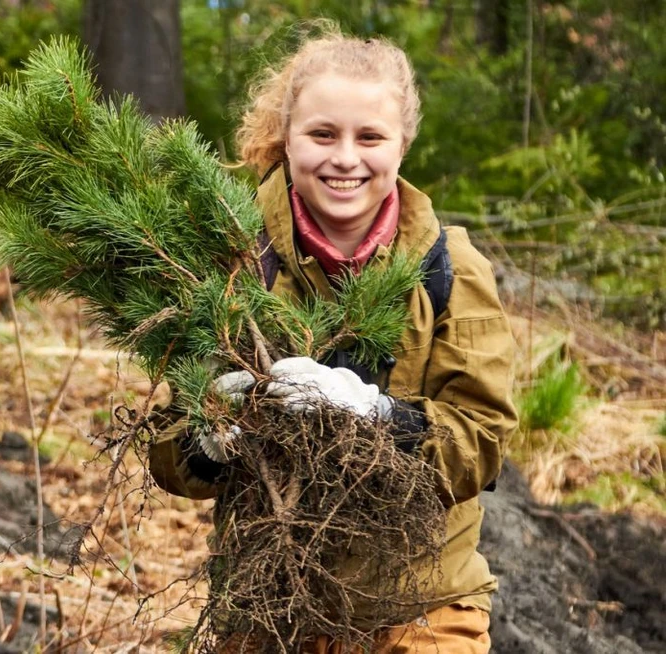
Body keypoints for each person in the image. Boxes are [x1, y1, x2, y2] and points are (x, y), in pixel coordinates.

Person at [148, 31, 517, 654]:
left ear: (402, 144)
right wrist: (208, 434)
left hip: (423, 603)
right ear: (288, 138)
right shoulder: (231, 262)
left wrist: (380, 418)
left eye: (370, 137)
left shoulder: (449, 266)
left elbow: (483, 443)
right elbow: (168, 450)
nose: (345, 158)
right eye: (322, 135)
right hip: (271, 606)